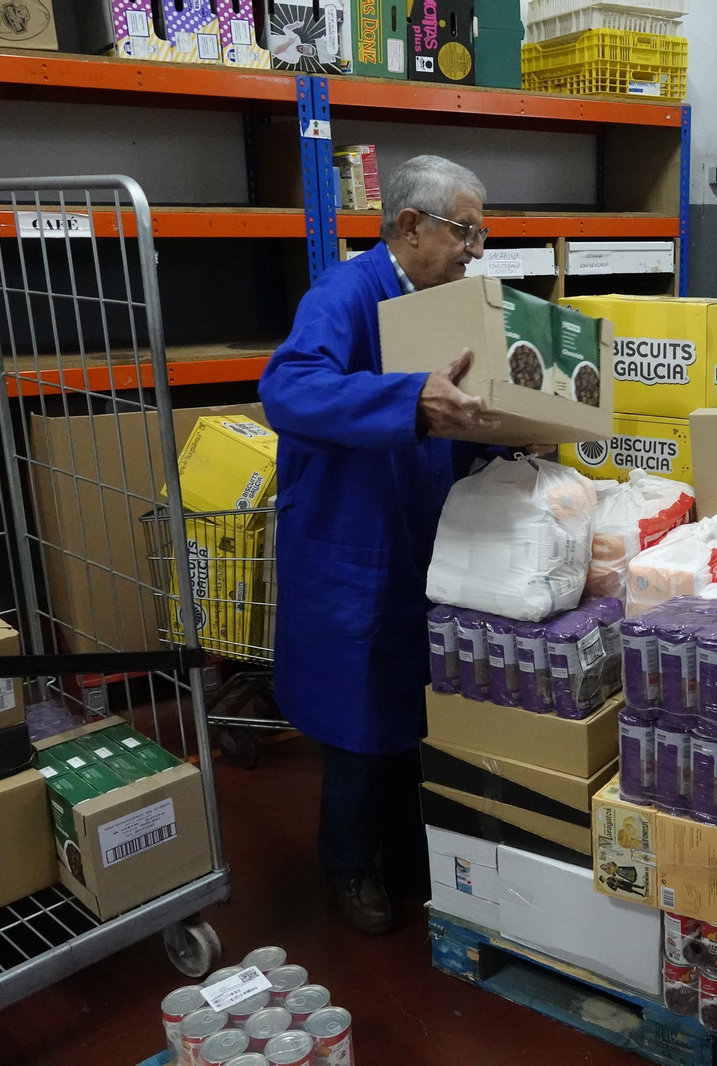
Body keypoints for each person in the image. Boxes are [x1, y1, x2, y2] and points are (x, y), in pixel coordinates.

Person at [259, 155, 501, 934]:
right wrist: (409, 398)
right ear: (411, 226)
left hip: (422, 535)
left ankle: (403, 849)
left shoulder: (443, 302)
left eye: (480, 235)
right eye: (465, 231)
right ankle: (347, 863)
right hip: (350, 540)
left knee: (413, 709)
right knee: (359, 720)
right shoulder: (345, 294)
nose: (475, 250)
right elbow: (288, 388)